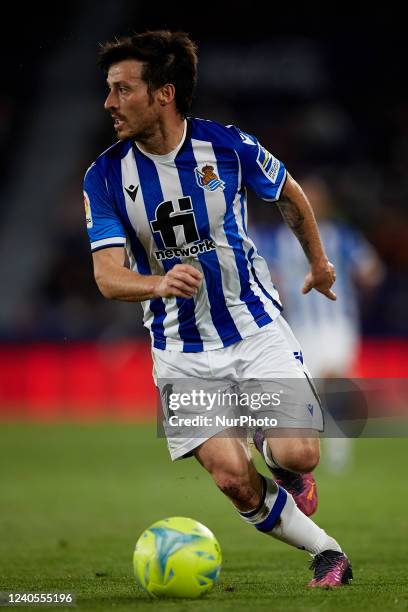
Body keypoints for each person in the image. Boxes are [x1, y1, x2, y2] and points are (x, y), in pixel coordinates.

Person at [83, 30, 352, 587]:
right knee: (232, 479)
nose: (109, 103)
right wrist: (157, 284)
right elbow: (107, 277)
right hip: (178, 350)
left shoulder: (227, 147)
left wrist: (320, 264)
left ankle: (278, 458)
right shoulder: (105, 176)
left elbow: (289, 193)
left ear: (163, 93)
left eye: (121, 89)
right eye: (108, 90)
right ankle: (328, 554)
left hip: (253, 325)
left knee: (298, 454)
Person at [251, 175, 384, 471]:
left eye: (315, 198)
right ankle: (307, 446)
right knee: (311, 388)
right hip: (299, 327)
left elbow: (372, 270)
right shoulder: (277, 239)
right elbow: (262, 273)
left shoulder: (342, 235)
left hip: (337, 323)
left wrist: (359, 286)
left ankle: (337, 447)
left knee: (334, 377)